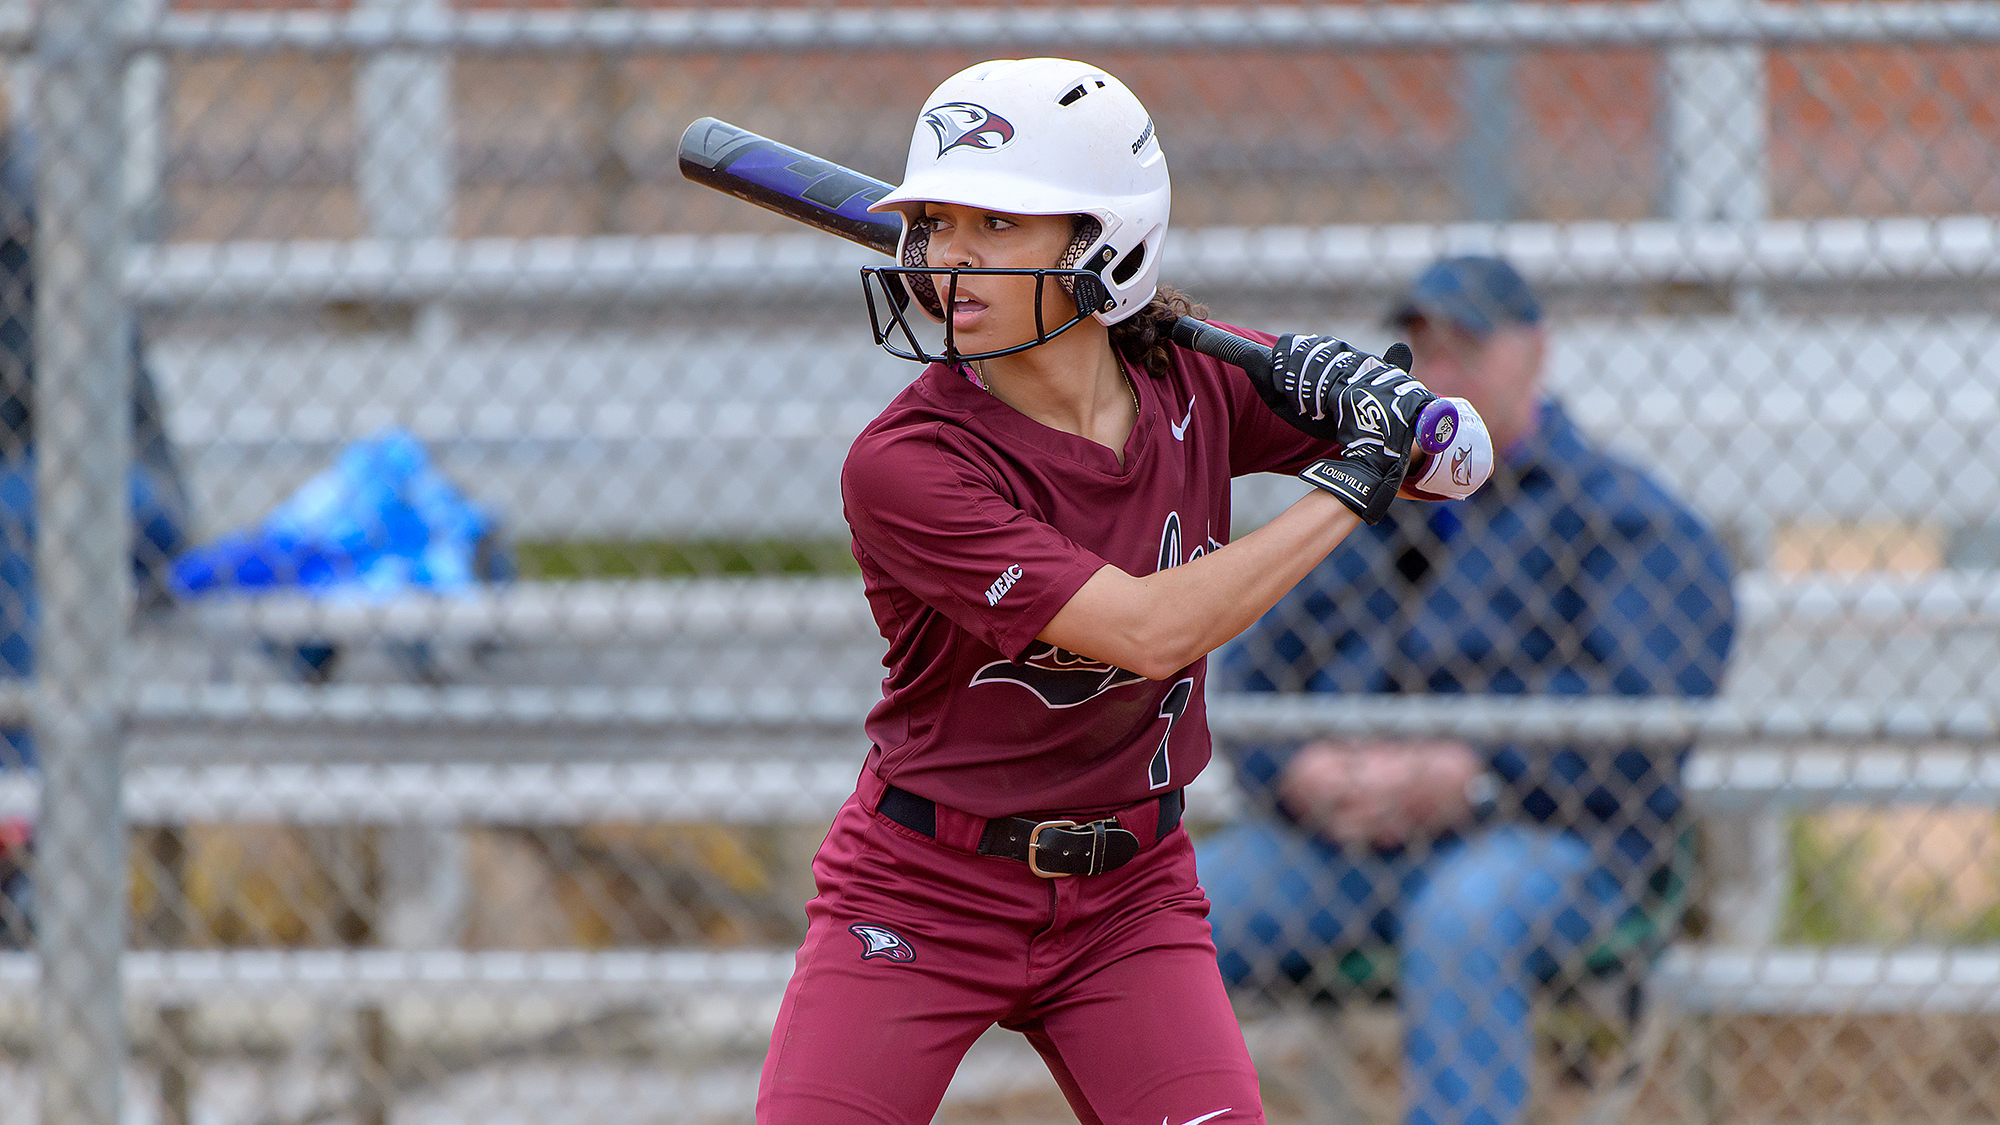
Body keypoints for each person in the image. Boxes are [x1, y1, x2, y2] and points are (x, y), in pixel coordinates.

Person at [754, 59, 1494, 1125]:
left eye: (997, 229)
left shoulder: (1194, 386)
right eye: (936, 226)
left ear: (1105, 246)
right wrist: (1346, 487)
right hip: (922, 889)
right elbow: (1149, 632)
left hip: (1128, 898)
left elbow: (1455, 467)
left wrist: (1398, 411)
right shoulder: (908, 462)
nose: (949, 263)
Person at [1197, 255, 1737, 1125]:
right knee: (1184, 907)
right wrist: (1302, 773)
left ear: (1535, 354)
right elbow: (1253, 673)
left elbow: (1644, 720)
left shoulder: (1625, 520)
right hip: (1352, 842)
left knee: (1463, 919)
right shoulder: (1365, 499)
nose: (1438, 374)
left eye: (1467, 348)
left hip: (1556, 840)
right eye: (1422, 348)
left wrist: (1473, 771)